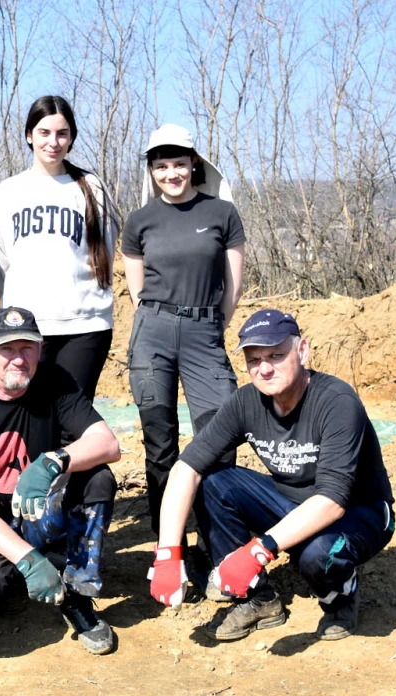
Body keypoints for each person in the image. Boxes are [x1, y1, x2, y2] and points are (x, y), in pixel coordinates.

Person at [148, 309, 395, 642]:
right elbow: (186, 468)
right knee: (211, 481)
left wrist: (260, 549)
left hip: (358, 512)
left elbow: (333, 501)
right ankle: (258, 600)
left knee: (318, 555)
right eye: (254, 360)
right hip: (292, 503)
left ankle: (340, 597)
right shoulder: (247, 402)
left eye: (276, 355)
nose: (264, 368)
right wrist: (168, 553)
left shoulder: (336, 401)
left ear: (302, 351)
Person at [0, 307, 122, 655]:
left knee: (98, 478)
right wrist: (27, 560)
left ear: (40, 349)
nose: (18, 359)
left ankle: (78, 594)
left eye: (27, 348)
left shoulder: (55, 381)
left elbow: (108, 443)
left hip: (37, 512)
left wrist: (56, 460)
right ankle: (37, 564)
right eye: (7, 348)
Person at [122, 123, 245, 529]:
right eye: (161, 166)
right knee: (160, 443)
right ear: (151, 170)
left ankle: (218, 539)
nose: (170, 174)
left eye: (178, 164)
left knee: (218, 439)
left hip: (204, 334)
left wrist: (209, 327)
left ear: (194, 163)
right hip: (152, 334)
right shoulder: (140, 221)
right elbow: (137, 290)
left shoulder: (221, 213)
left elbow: (233, 285)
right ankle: (167, 543)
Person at [0, 96, 119, 400]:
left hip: (85, 326)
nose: (53, 142)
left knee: (72, 420)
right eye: (44, 132)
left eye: (62, 133)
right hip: (26, 329)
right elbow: (2, 261)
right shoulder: (7, 193)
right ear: (29, 135)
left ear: (72, 138)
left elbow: (106, 252)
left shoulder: (91, 188)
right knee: (32, 417)